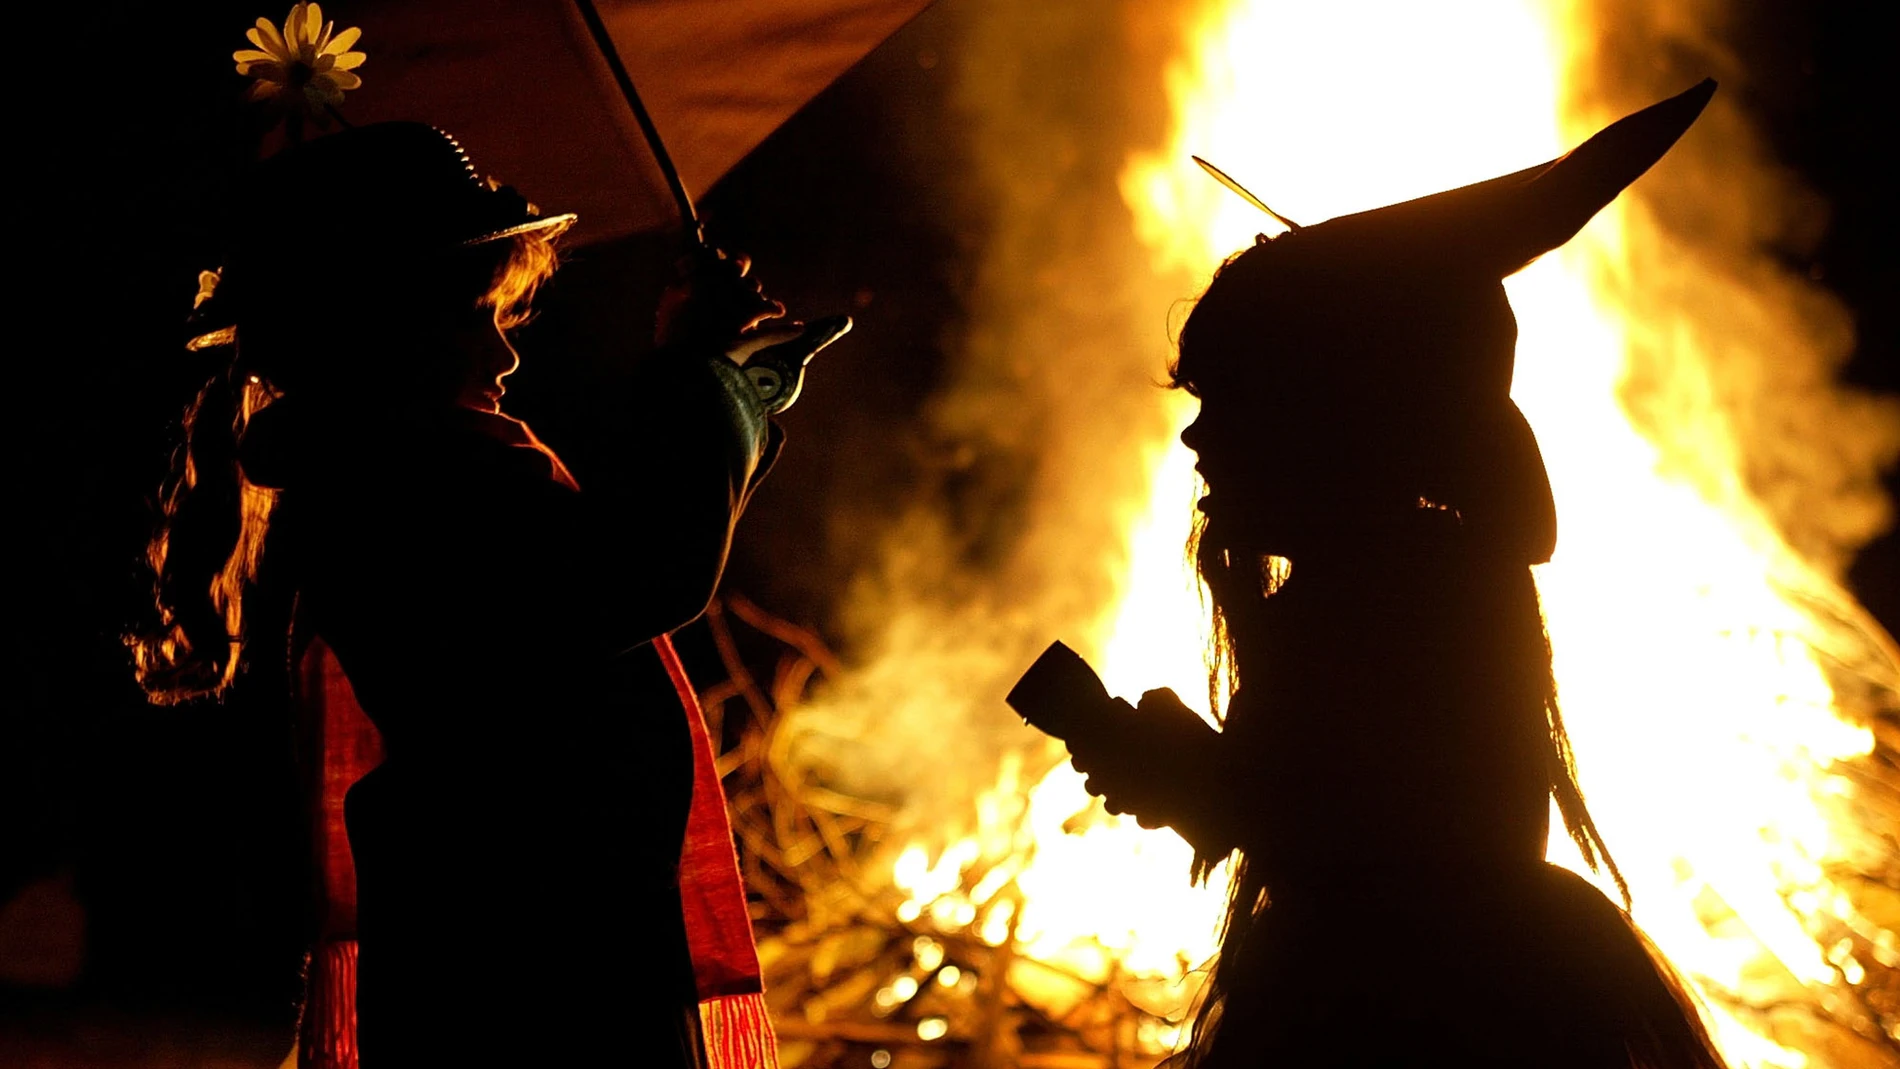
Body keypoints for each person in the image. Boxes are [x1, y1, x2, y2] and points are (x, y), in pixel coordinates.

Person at [1051, 82, 1733, 1067]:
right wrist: (1198, 778)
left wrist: (1199, 779)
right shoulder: (1402, 579)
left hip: (1420, 1019)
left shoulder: (1410, 593)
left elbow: (1393, 846)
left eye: (1230, 401)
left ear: (1329, 418)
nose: (1198, 438)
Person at [130, 122, 839, 1066]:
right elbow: (635, 574)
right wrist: (698, 377)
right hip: (526, 956)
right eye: (480, 319)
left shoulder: (392, 469)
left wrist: (725, 388)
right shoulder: (407, 484)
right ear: (389, 331)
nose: (506, 359)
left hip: (517, 934)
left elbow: (618, 568)